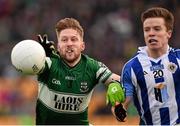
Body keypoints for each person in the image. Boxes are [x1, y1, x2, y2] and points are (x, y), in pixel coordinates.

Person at [35, 18, 125, 125]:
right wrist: (38, 54)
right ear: (58, 46)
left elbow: (120, 81)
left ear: (82, 46)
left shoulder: (93, 67)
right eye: (64, 40)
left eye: (74, 39)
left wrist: (114, 86)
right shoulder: (48, 63)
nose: (69, 44)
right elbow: (28, 64)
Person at [113, 7, 180, 125]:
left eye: (157, 29)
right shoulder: (132, 67)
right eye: (147, 30)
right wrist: (118, 109)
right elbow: (123, 104)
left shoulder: (178, 59)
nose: (151, 33)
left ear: (168, 33)